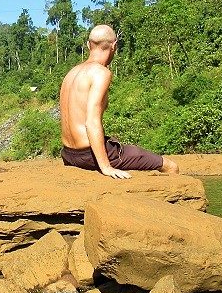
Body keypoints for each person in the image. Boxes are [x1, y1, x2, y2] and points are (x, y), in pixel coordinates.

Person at [59, 24, 179, 178]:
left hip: (68, 155)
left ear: (89, 45)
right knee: (170, 166)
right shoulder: (101, 73)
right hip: (88, 155)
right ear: (114, 46)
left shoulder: (71, 74)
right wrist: (106, 167)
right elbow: (91, 122)